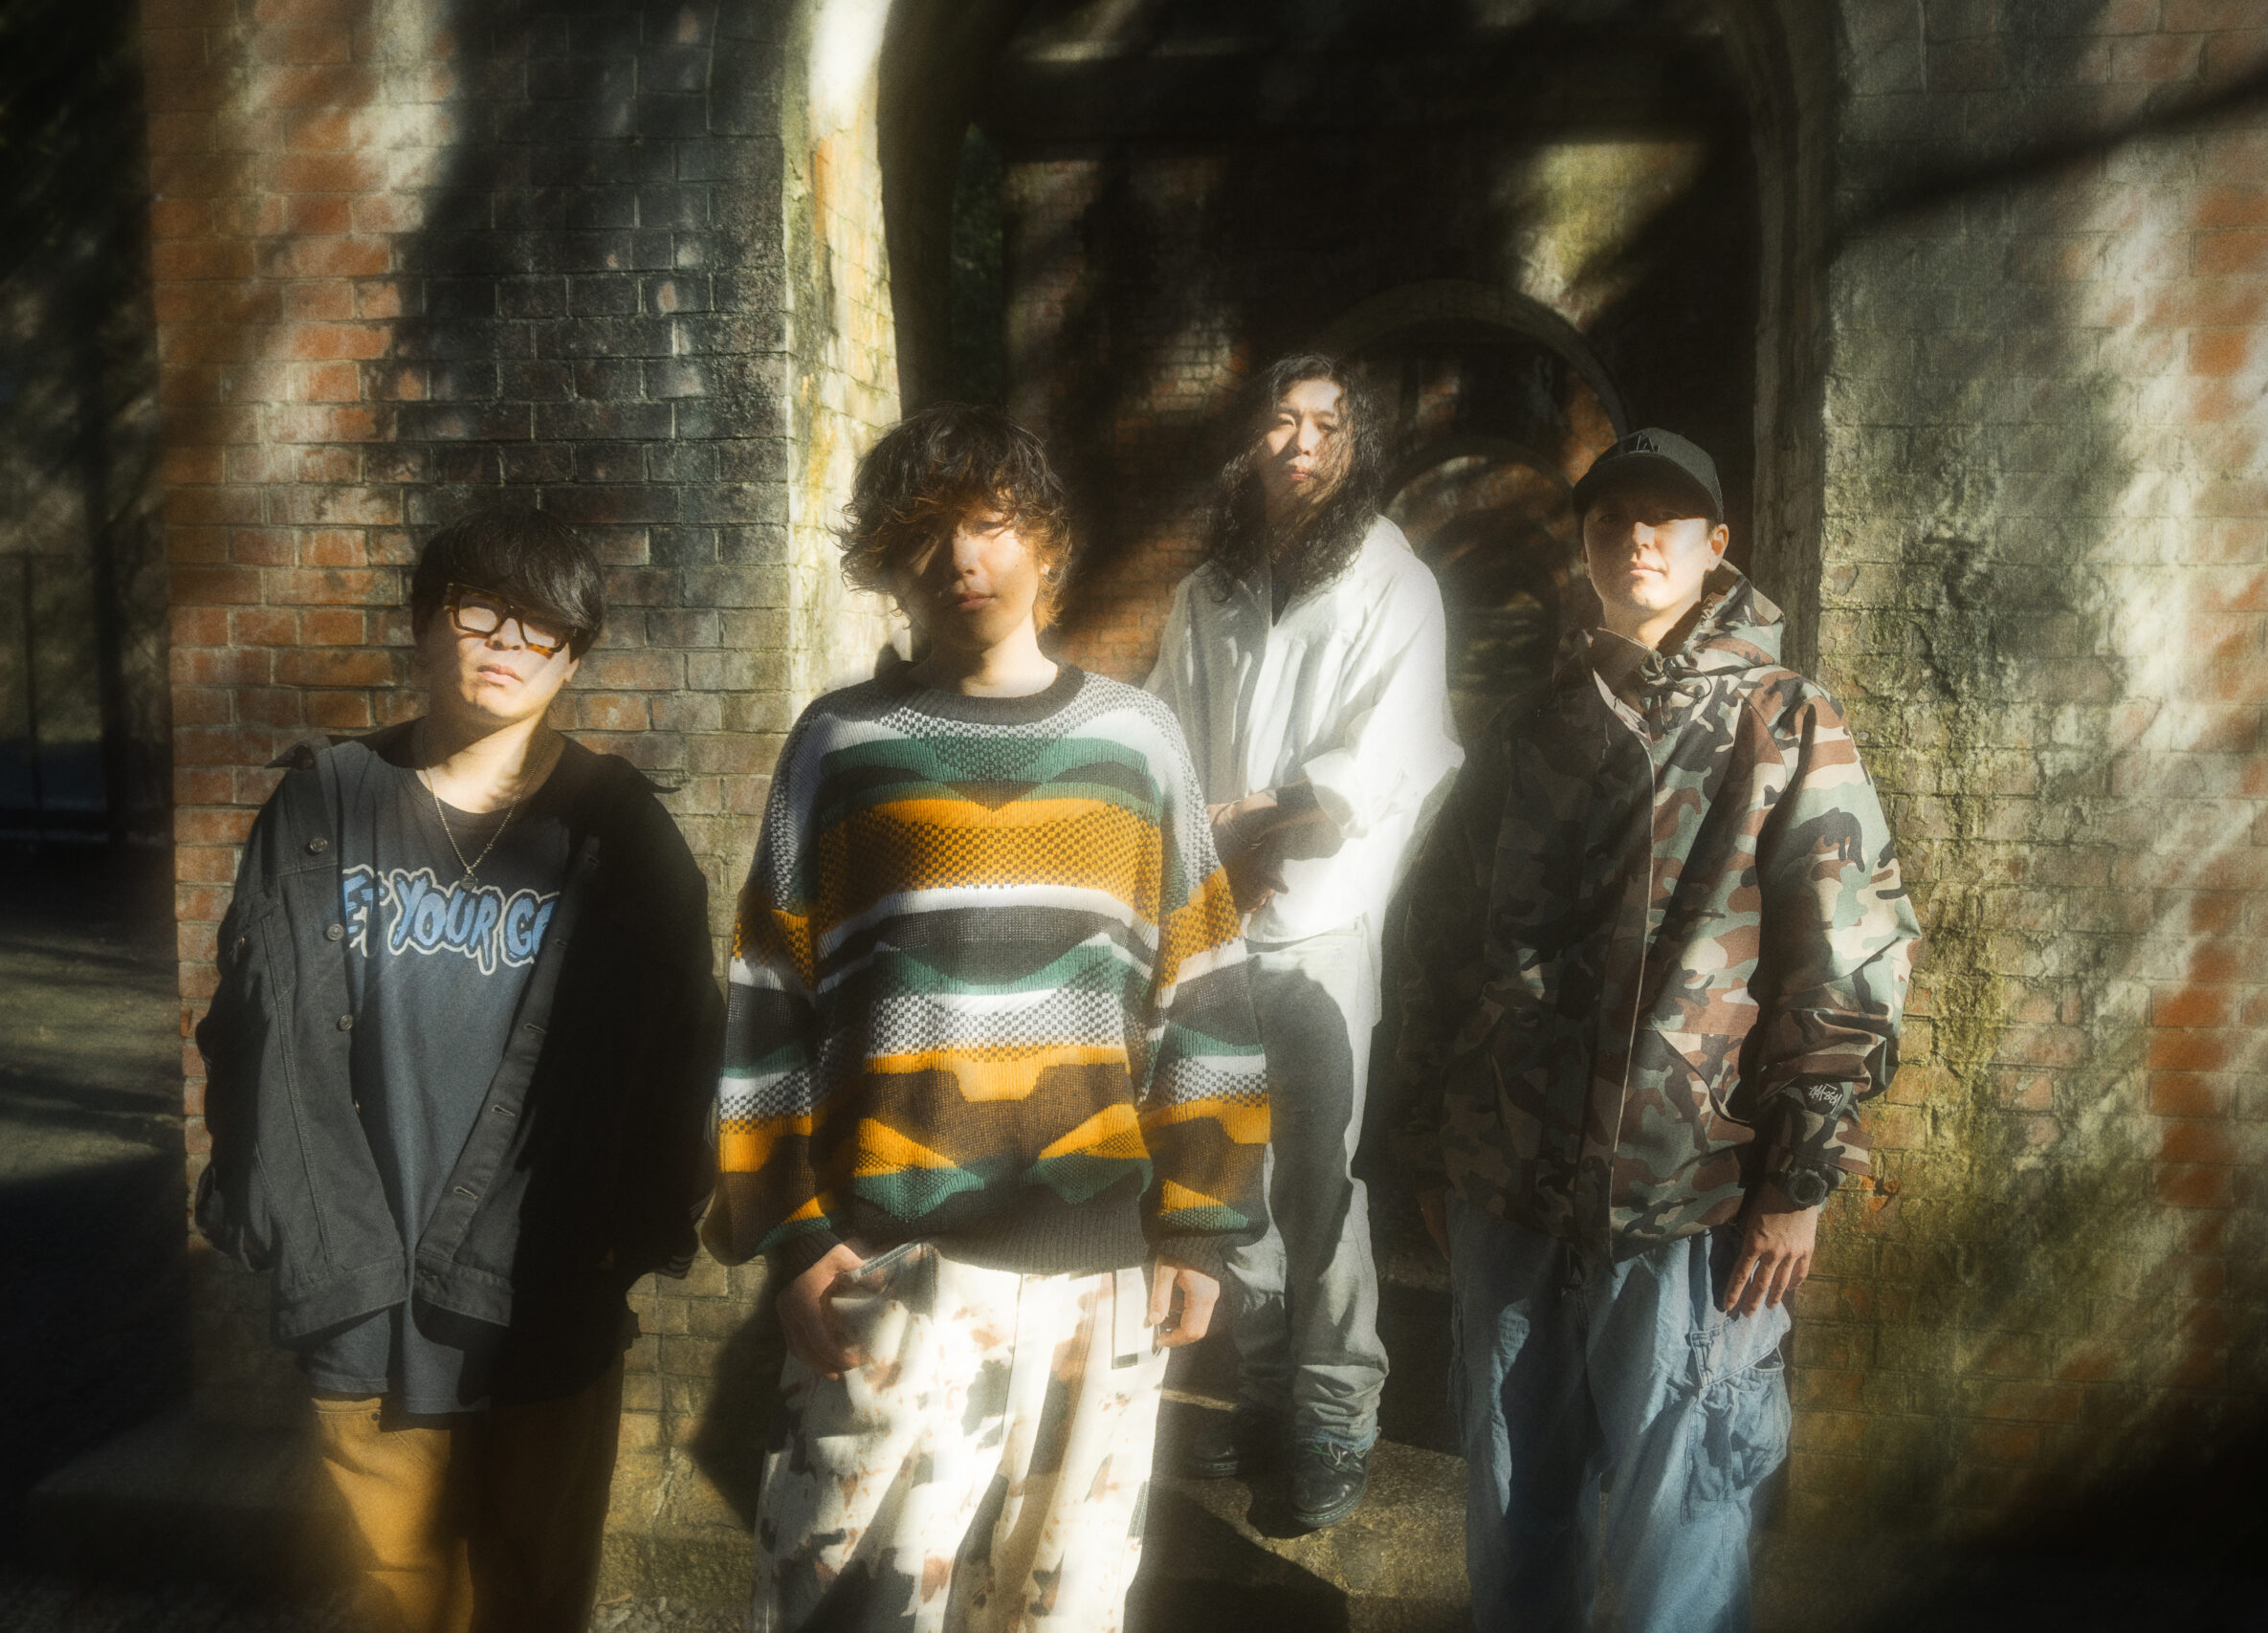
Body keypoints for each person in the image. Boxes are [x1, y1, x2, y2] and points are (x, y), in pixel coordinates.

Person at [704, 402, 1268, 1633]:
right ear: (887, 561)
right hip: (894, 1268)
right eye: (925, 531)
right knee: (852, 1608)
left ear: (1048, 544)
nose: (961, 557)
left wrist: (1202, 1224)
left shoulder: (1136, 742)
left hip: (1100, 1275)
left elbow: (1205, 987)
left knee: (1058, 1611)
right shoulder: (841, 745)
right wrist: (790, 1234)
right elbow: (767, 1000)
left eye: (992, 524)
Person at [1393, 429, 1921, 1632]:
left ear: (1712, 544)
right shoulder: (1527, 729)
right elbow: (1436, 945)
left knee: (1681, 1522)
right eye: (1611, 517)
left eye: (1665, 517)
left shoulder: (1783, 723)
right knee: (1514, 1513)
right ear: (1582, 545)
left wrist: (1795, 1181)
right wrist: (1426, 1145)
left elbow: (1844, 960)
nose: (1637, 536)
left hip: (1690, 1190)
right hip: (1510, 1182)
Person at [193, 505, 724, 1633]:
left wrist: (620, 1240)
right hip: (361, 1286)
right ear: (426, 621)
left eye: (543, 627)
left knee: (537, 1594)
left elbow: (684, 1055)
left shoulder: (620, 832)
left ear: (573, 657)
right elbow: (247, 1034)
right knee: (393, 1600)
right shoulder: (325, 804)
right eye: (482, 610)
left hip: (545, 1284)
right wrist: (289, 1223)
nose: (508, 644)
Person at [1146, 353, 1460, 1528]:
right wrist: (1190, 840)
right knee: (1227, 1158)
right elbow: (1159, 733)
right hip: (1213, 916)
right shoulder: (1211, 588)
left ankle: (1335, 1409)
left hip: (1321, 917)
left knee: (1319, 1175)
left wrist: (1268, 813)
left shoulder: (1389, 580)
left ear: (1355, 445)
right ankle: (1266, 1383)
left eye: (1327, 424)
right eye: (1280, 421)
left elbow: (1395, 748)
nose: (1300, 444)